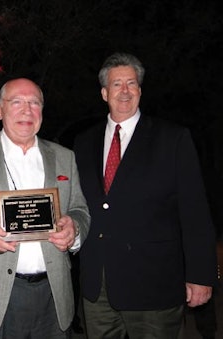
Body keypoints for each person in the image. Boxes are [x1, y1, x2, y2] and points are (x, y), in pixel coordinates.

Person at [73, 52, 217, 339]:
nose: (124, 91)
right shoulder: (83, 142)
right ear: (104, 93)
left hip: (154, 286)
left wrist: (201, 275)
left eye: (131, 83)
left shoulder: (173, 138)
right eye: (117, 84)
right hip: (97, 288)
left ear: (140, 90)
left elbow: (195, 211)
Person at [0, 78, 90, 339]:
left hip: (53, 295)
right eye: (16, 102)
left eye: (34, 103)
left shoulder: (64, 157)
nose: (26, 110)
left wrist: (74, 228)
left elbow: (80, 209)